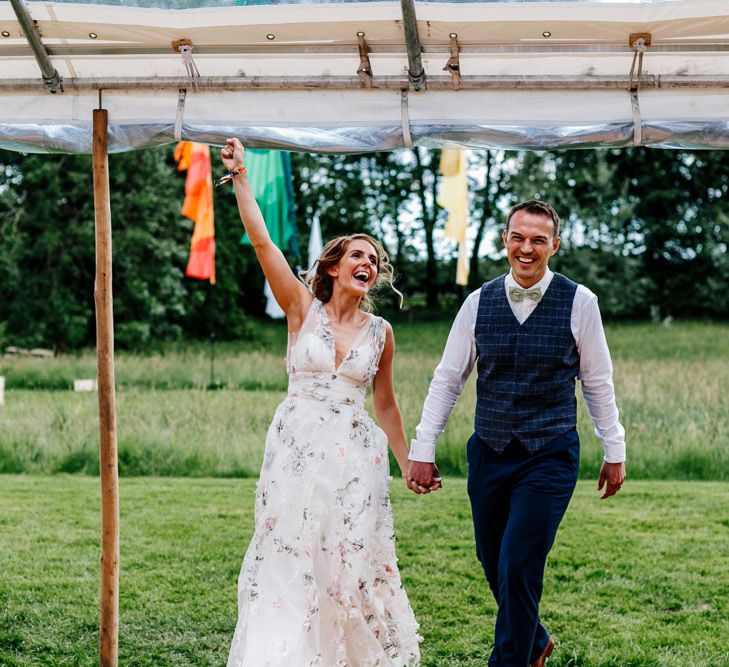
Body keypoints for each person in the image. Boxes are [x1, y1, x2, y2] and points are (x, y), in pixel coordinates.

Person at [221, 138, 422, 667]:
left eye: (374, 259)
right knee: (289, 551)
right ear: (333, 267)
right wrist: (242, 177)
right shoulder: (300, 308)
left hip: (354, 458)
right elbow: (263, 245)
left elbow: (386, 406)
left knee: (345, 558)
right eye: (357, 254)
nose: (368, 263)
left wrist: (410, 463)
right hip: (296, 446)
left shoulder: (382, 333)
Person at [407, 199, 626, 667]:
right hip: (488, 449)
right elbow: (448, 379)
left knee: (519, 563)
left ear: (555, 245)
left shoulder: (581, 302)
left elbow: (598, 382)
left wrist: (615, 448)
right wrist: (421, 449)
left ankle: (511, 660)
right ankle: (537, 639)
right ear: (505, 239)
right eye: (518, 237)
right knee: (494, 562)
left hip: (549, 453)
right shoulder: (476, 302)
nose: (527, 248)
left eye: (538, 240)